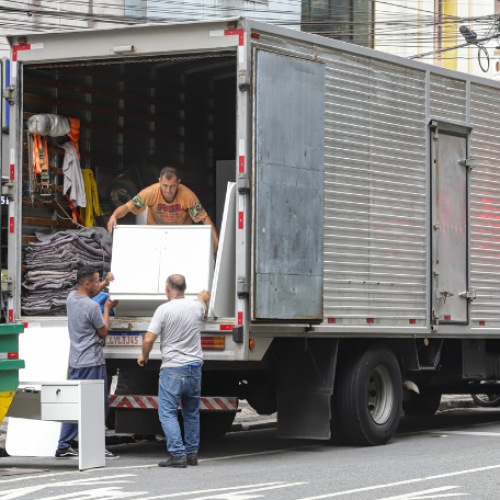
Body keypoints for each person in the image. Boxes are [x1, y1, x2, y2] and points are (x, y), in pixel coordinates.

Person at [137, 274, 210, 468]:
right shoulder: (195, 307)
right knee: (191, 413)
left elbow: (149, 339)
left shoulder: (164, 310)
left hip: (173, 369)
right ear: (185, 287)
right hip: (194, 369)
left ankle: (178, 455)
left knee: (168, 413)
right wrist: (202, 299)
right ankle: (192, 454)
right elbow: (203, 308)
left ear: (167, 289)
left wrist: (144, 356)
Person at [55, 266, 119, 459]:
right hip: (92, 362)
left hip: (76, 361)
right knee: (98, 405)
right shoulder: (92, 307)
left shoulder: (71, 298)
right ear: (87, 283)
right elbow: (103, 331)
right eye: (97, 280)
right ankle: (97, 446)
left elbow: (90, 294)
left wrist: (105, 284)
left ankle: (64, 446)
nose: (99, 284)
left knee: (76, 405)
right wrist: (107, 309)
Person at [107, 166, 219, 254]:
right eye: (165, 185)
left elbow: (204, 218)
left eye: (172, 186)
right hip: (155, 235)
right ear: (159, 181)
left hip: (181, 236)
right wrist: (114, 216)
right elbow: (127, 207)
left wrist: (215, 239)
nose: (168, 190)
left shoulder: (188, 196)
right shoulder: (149, 193)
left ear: (179, 182)